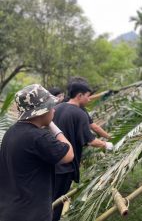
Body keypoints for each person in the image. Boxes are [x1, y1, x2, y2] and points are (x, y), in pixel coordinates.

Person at [0, 84, 74, 221]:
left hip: (9, 210)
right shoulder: (39, 137)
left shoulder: (11, 133)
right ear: (42, 111)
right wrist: (52, 124)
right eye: (51, 107)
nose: (54, 110)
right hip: (31, 213)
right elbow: (69, 154)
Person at [52, 82, 114, 221]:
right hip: (65, 166)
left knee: (49, 197)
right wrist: (107, 144)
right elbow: (91, 140)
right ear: (79, 95)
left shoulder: (57, 107)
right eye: (88, 96)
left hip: (51, 161)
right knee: (58, 201)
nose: (89, 99)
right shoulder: (79, 113)